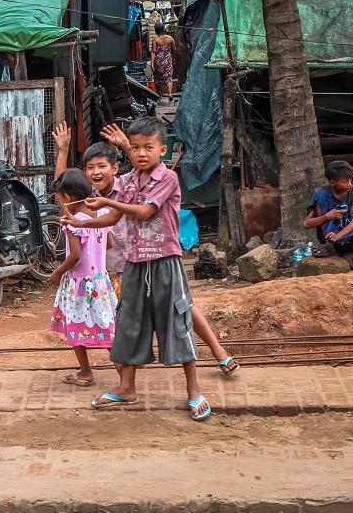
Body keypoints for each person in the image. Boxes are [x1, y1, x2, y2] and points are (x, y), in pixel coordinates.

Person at [53, 122, 239, 376]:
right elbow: (64, 188)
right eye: (90, 168)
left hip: (147, 257)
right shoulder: (88, 195)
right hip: (113, 271)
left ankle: (220, 353)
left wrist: (127, 145)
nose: (96, 172)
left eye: (102, 166)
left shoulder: (128, 185)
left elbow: (147, 164)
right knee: (125, 318)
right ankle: (127, 374)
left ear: (115, 168)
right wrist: (63, 150)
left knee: (183, 306)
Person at [62, 117, 211, 421]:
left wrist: (108, 202)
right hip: (134, 263)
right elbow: (112, 219)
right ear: (129, 153)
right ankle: (126, 388)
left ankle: (194, 392)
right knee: (128, 324)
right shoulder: (128, 181)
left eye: (149, 147)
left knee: (178, 323)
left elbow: (144, 212)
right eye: (136, 148)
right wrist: (83, 222)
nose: (142, 153)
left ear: (162, 150)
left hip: (165, 261)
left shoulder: (168, 178)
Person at [48, 169, 118, 387]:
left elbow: (76, 256)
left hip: (79, 284)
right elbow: (110, 244)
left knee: (74, 325)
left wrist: (57, 272)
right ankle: (119, 373)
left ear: (67, 198)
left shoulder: (73, 222)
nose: (59, 201)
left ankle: (89, 372)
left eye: (59, 196)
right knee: (107, 327)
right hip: (99, 281)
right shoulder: (101, 215)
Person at [304, 160, 353, 266]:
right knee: (321, 195)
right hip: (329, 238)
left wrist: (339, 235)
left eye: (350, 180)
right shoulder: (322, 194)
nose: (349, 184)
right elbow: (307, 224)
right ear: (333, 182)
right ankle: (329, 246)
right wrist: (327, 216)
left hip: (348, 236)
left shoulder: (351, 192)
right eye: (345, 182)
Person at [150, 22, 176, 102]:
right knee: (169, 78)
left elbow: (153, 52)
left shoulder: (155, 39)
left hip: (158, 62)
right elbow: (174, 49)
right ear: (164, 29)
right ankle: (170, 94)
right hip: (167, 61)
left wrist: (152, 63)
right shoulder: (170, 38)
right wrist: (174, 59)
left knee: (157, 79)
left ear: (156, 31)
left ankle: (159, 95)